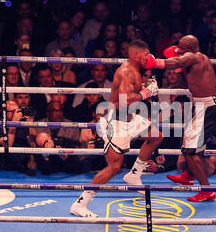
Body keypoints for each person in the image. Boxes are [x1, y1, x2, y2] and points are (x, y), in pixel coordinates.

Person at [70, 40, 163, 217]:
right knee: (113, 167)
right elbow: (125, 100)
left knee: (156, 136)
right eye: (146, 55)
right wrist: (147, 92)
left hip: (129, 119)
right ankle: (80, 203)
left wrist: (144, 88)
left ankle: (134, 175)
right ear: (137, 55)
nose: (149, 58)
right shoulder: (127, 72)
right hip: (116, 122)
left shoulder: (135, 70)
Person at [145, 35, 216, 202]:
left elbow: (178, 62)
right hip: (206, 105)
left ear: (188, 49)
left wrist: (155, 62)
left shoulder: (193, 57)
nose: (178, 50)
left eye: (180, 47)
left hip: (208, 107)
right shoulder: (196, 57)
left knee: (189, 150)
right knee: (191, 144)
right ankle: (189, 175)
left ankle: (206, 191)